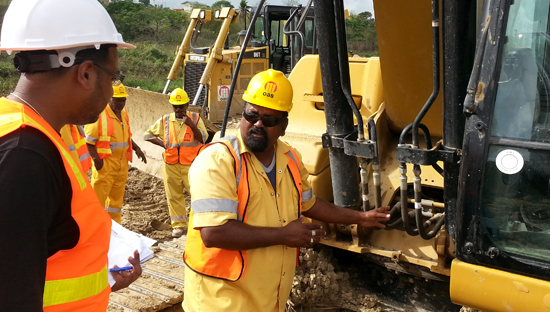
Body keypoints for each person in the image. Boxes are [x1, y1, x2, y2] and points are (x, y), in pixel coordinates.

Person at [182, 69, 391, 312]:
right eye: (251, 115)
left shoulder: (289, 158)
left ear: (283, 126)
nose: (257, 124)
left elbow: (310, 204)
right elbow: (213, 233)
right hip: (220, 302)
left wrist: (360, 218)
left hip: (268, 300)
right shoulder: (218, 160)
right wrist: (285, 235)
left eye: (269, 120)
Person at [0, 0, 142, 311]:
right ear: (87, 74)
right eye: (113, 78)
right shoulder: (24, 156)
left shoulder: (23, 133)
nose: (111, 92)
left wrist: (93, 277)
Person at [144, 88, 206, 238]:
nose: (179, 110)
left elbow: (203, 138)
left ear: (187, 105)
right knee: (174, 196)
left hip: (191, 165)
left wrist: (191, 125)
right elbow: (147, 135)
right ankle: (178, 226)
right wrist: (164, 144)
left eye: (181, 106)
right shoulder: (165, 120)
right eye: (175, 106)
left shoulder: (196, 119)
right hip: (171, 165)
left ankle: (200, 223)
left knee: (197, 194)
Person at [85, 83, 147, 223]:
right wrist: (98, 162)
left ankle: (115, 229)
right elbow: (88, 142)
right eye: (117, 100)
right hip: (105, 166)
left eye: (123, 100)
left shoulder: (123, 113)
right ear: (108, 98)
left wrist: (136, 148)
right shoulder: (99, 115)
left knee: (115, 204)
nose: (121, 103)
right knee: (97, 202)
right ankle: (94, 227)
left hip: (121, 166)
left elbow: (125, 135)